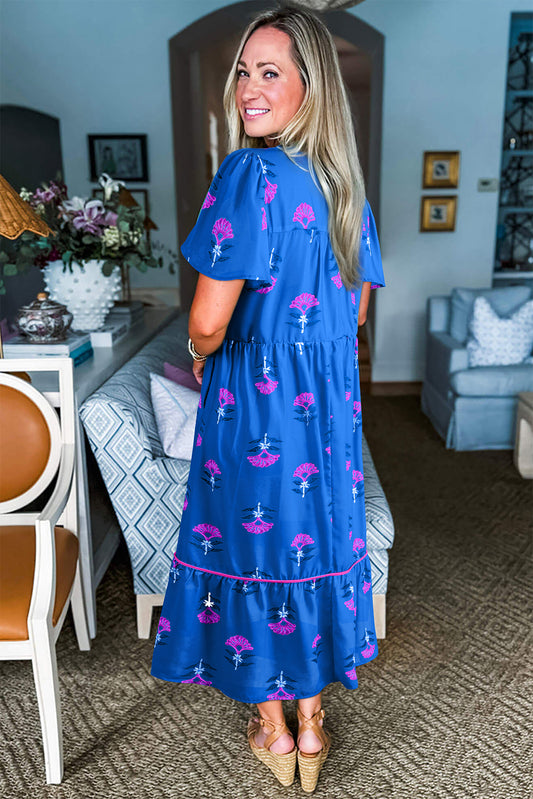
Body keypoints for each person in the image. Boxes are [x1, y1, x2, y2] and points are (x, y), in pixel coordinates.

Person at [151, 5, 385, 793]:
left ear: (310, 88)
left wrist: (199, 352)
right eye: (243, 72)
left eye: (270, 72)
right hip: (324, 414)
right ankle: (312, 725)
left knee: (256, 549)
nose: (248, 89)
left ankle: (273, 723)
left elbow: (208, 320)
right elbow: (352, 316)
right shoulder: (344, 188)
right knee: (308, 547)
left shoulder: (249, 175)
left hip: (254, 403)